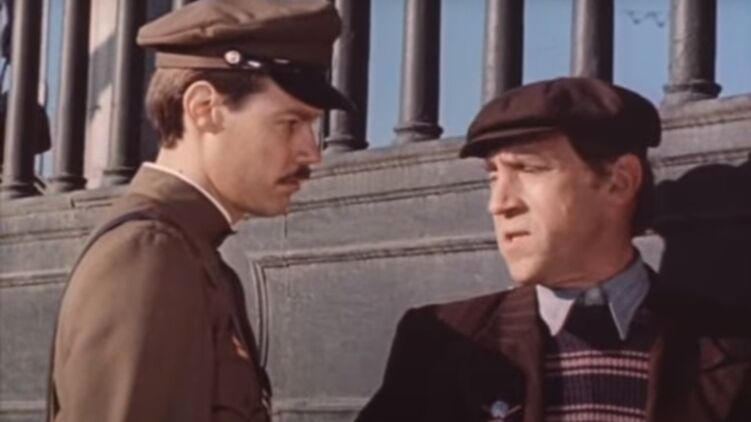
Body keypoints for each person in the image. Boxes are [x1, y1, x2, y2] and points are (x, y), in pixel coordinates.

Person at [356, 77, 751, 422]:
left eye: (528, 169)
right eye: (493, 177)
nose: (499, 203)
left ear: (619, 181)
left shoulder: (734, 348)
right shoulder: (440, 342)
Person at [48, 1, 352, 421]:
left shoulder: (189, 251)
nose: (312, 153)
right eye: (290, 123)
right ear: (204, 108)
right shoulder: (151, 256)